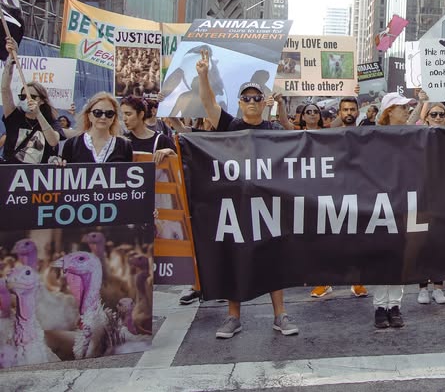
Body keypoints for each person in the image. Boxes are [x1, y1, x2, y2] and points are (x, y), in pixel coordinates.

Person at [194, 49, 298, 339]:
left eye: (257, 98)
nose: (252, 102)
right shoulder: (229, 125)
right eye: (246, 98)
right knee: (234, 255)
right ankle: (233, 317)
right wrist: (203, 74)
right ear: (239, 103)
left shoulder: (274, 130)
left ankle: (280, 315)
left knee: (272, 256)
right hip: (234, 205)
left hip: (268, 205)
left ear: (264, 103)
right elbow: (207, 102)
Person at [311, 97, 368, 300]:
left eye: (352, 109)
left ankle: (358, 281)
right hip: (334, 192)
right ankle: (325, 282)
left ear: (358, 110)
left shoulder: (367, 134)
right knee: (330, 239)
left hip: (360, 193)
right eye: (345, 110)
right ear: (339, 113)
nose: (349, 112)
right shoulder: (330, 135)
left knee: (358, 239)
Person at [369, 90, 415, 328]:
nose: (406, 111)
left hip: (404, 202)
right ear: (389, 112)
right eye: (402, 107)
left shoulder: (413, 135)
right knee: (381, 255)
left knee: (399, 255)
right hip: (379, 203)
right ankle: (380, 306)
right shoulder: (373, 137)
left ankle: (395, 306)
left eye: (407, 107)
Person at [1, 38, 62, 164]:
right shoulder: (15, 117)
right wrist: (11, 60)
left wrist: (38, 114)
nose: (27, 100)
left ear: (42, 101)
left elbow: (53, 141)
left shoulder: (50, 121)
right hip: (11, 173)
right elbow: (5, 88)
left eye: (32, 97)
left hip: (35, 177)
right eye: (23, 97)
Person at [417, 102, 445, 305]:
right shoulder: (419, 135)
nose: (438, 117)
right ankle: (422, 288)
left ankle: (438, 288)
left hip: (443, 197)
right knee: (421, 244)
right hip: (422, 197)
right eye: (434, 114)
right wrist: (423, 102)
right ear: (427, 116)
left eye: (441, 114)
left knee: (440, 245)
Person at [58, 92, 133, 164]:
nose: (103, 117)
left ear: (114, 117)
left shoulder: (124, 146)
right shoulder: (71, 144)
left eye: (109, 113)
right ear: (89, 115)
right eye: (97, 113)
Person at [120, 95, 176, 161]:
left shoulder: (162, 140)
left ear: (141, 114)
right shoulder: (122, 142)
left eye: (128, 114)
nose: (124, 119)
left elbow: (180, 165)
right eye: (122, 114)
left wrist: (171, 152)